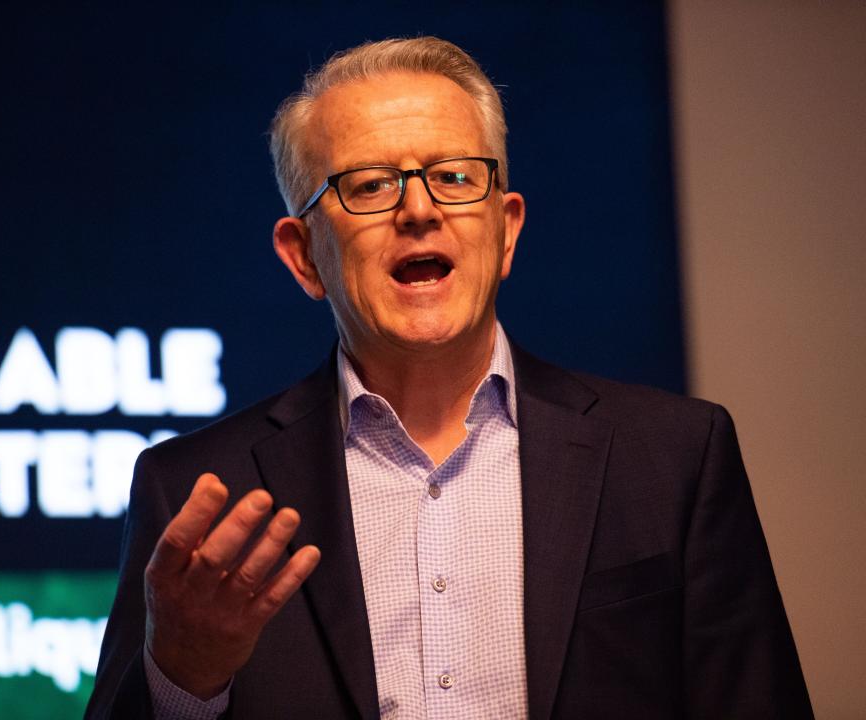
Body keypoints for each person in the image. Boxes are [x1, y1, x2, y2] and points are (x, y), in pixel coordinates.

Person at [85, 37, 813, 719]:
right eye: (370, 185)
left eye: (455, 177)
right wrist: (183, 678)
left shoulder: (675, 457)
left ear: (507, 230)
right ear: (304, 256)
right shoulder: (190, 490)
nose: (421, 210)